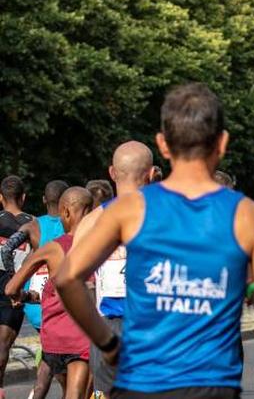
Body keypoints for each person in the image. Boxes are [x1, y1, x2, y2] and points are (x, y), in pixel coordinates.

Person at [55, 82, 254, 398]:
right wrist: (249, 285)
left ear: (163, 145)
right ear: (222, 144)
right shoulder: (246, 215)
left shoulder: (130, 209)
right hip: (210, 383)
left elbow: (66, 277)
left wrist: (108, 344)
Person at [73, 141, 155, 399]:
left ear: (112, 173)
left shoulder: (91, 223)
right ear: (152, 174)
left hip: (108, 329)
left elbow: (71, 282)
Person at [4, 187, 93, 399]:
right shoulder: (102, 244)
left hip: (52, 337)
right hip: (82, 338)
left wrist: (27, 296)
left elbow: (11, 288)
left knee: (43, 385)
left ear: (65, 213)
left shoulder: (52, 248)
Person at [1, 180, 69, 399]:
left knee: (53, 361)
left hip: (30, 298)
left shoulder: (33, 226)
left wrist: (13, 279)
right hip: (61, 301)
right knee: (70, 368)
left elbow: (8, 248)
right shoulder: (76, 226)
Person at [0, 175, 34, 387]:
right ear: (23, 198)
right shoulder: (33, 224)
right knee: (3, 345)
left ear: (1, 198)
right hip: (16, 286)